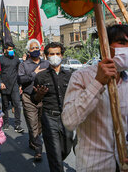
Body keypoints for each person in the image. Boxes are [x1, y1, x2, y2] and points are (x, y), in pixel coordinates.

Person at [62, 24, 128, 172]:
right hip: (92, 166)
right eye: (122, 43)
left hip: (124, 164)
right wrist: (98, 82)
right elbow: (69, 121)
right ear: (105, 46)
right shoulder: (81, 77)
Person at [32, 42, 73, 172]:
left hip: (67, 117)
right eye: (52, 54)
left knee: (66, 149)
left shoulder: (70, 75)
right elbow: (35, 99)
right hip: (50, 117)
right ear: (46, 56)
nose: (55, 56)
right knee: (54, 154)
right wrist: (39, 94)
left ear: (62, 55)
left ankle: (56, 160)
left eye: (57, 54)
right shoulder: (41, 76)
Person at [18, 38, 49, 161]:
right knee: (32, 124)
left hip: (44, 98)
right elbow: (20, 80)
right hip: (28, 98)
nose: (35, 50)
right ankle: (38, 150)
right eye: (32, 48)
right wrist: (34, 74)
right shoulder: (23, 65)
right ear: (28, 51)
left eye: (37, 48)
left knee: (40, 125)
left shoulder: (46, 64)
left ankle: (33, 140)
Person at [0, 42, 23, 133]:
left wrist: (20, 85)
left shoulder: (16, 59)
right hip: (4, 86)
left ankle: (17, 124)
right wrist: (0, 83)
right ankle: (6, 122)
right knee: (5, 105)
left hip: (15, 85)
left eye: (12, 49)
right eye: (9, 49)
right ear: (5, 50)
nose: (11, 51)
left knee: (17, 104)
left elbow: (19, 72)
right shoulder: (0, 59)